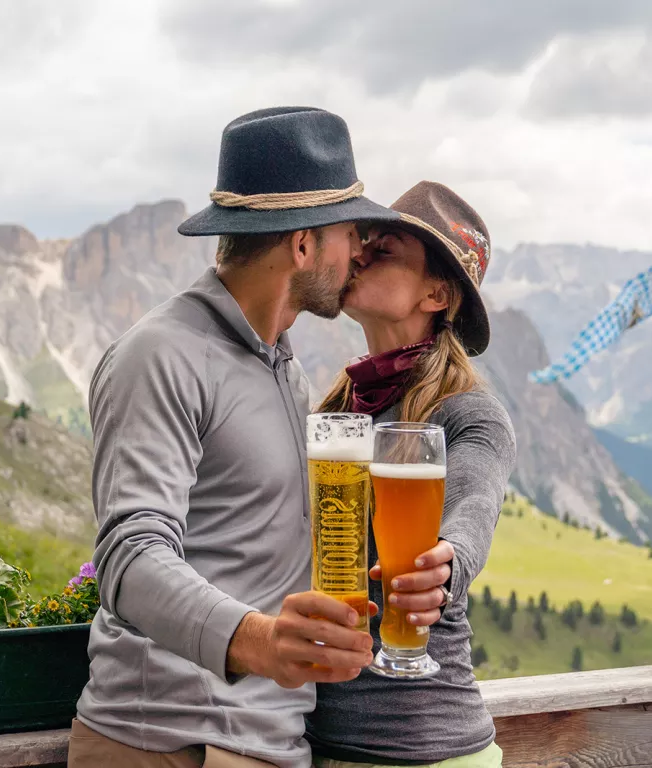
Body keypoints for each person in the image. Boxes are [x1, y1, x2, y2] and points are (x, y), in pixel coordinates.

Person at [69, 107, 444, 768]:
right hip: (167, 744)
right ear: (302, 245)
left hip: (270, 746)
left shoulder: (287, 372)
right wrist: (255, 638)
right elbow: (129, 555)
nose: (360, 249)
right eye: (350, 231)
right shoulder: (161, 353)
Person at [307, 181, 516, 767]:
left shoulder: (468, 412)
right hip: (320, 741)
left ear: (437, 294)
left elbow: (474, 509)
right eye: (365, 241)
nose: (361, 253)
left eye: (387, 248)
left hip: (425, 747)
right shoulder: (338, 411)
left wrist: (446, 567)